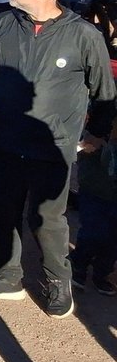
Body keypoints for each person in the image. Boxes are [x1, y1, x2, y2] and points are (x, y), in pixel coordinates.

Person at [0, 0, 116, 317]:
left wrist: (96, 133)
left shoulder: (83, 36)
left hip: (52, 147)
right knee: (0, 211)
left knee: (47, 220)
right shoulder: (1, 24)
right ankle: (6, 276)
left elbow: (104, 93)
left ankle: (59, 284)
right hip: (4, 139)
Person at [71, 112, 117, 295]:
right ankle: (79, 265)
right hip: (96, 185)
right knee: (93, 231)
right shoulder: (104, 102)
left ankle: (102, 273)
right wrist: (89, 140)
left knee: (113, 240)